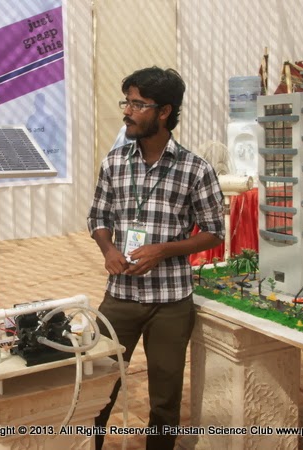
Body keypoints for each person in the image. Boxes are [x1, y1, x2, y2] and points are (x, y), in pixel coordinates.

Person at [87, 67, 225, 450]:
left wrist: (163, 250)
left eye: (137, 104)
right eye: (127, 102)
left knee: (165, 400)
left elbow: (214, 231)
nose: (127, 111)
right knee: (97, 389)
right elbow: (97, 218)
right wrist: (109, 250)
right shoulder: (114, 163)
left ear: (164, 112)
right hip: (120, 297)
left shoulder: (196, 169)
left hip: (170, 303)